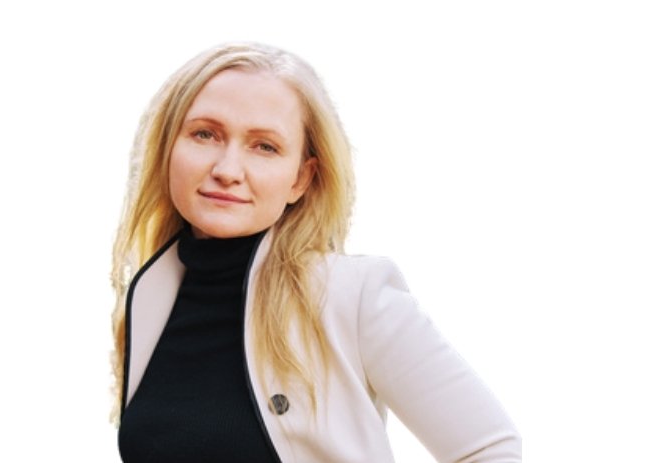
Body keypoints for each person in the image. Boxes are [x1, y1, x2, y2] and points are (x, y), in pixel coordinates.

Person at [110, 42, 522, 463]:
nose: (227, 170)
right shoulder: (150, 297)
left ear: (301, 179)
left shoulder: (352, 297)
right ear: (168, 147)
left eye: (264, 146)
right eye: (205, 134)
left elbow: (490, 448)